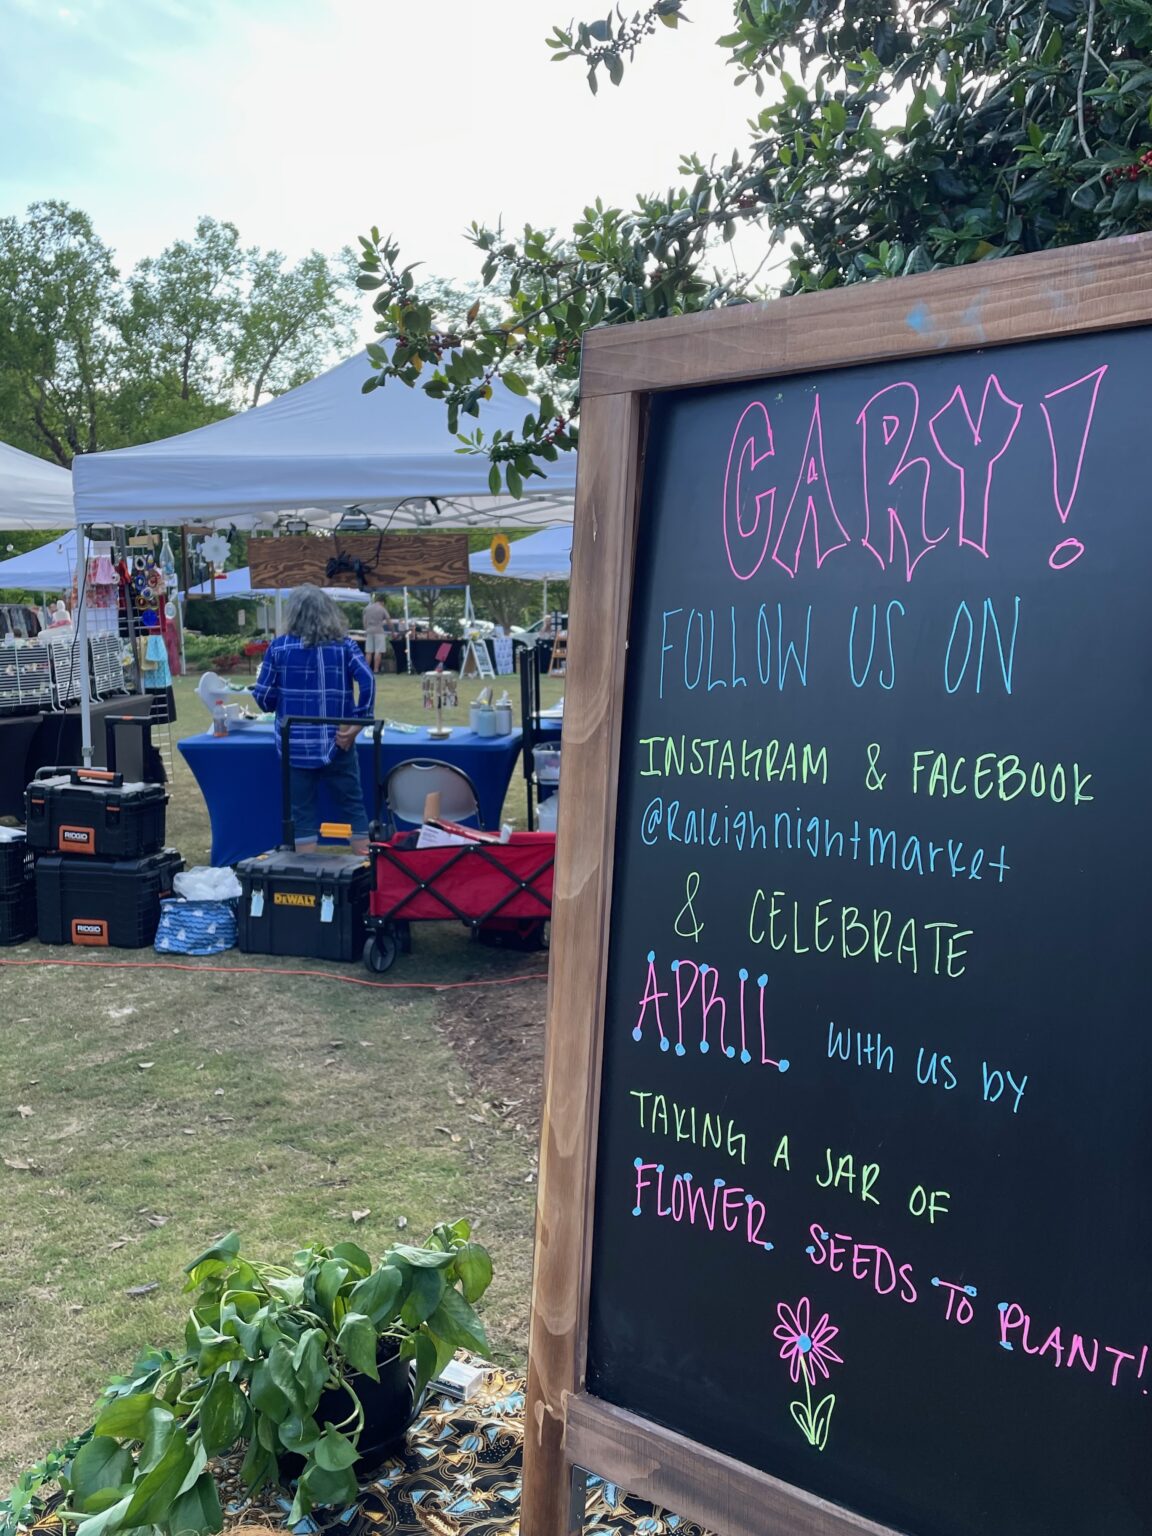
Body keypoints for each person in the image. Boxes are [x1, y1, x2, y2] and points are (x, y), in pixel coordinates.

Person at [252, 585, 375, 852]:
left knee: (302, 813)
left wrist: (276, 702)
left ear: (292, 615)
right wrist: (358, 723)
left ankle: (309, 880)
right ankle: (368, 874)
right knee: (352, 805)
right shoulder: (345, 646)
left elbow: (263, 698)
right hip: (339, 741)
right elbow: (368, 681)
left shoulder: (278, 648)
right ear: (328, 612)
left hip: (293, 744)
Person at [362, 592, 393, 675]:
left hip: (369, 631)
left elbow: (364, 621)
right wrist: (392, 631)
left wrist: (366, 629)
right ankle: (376, 670)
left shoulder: (367, 609)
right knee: (378, 651)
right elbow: (388, 621)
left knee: (368, 651)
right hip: (379, 631)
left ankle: (366, 669)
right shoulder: (382, 609)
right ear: (383, 602)